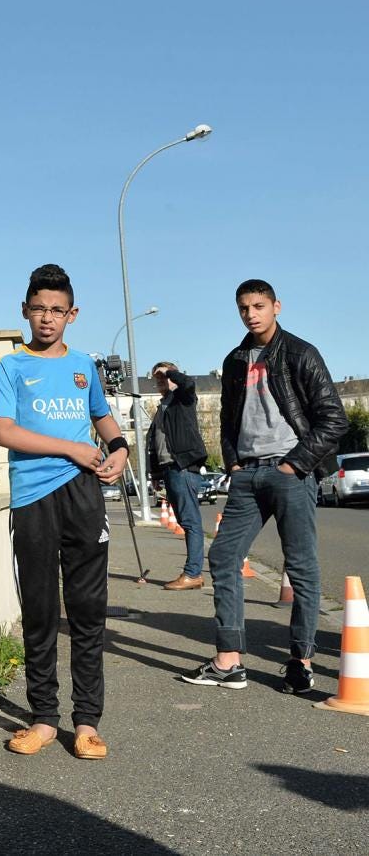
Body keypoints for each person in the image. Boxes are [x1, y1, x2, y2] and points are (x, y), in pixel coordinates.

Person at [0, 264, 127, 760]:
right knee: (42, 611)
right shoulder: (11, 365)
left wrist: (121, 448)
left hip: (84, 497)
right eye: (39, 309)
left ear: (72, 314)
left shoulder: (84, 364)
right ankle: (43, 718)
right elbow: (3, 430)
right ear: (24, 311)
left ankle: (87, 721)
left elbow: (102, 415)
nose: (47, 319)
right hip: (33, 499)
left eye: (57, 310)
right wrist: (68, 449)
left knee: (89, 610)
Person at [183, 279, 347, 693]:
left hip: (290, 472)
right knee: (222, 558)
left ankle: (301, 660)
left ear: (276, 306)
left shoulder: (300, 353)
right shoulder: (235, 360)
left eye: (258, 305)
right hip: (247, 475)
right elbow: (226, 421)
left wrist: (296, 464)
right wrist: (235, 463)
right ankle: (229, 661)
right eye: (243, 307)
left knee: (301, 567)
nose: (251, 314)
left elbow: (334, 418)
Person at [146, 362, 209, 590]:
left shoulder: (183, 398)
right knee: (185, 521)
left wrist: (171, 374)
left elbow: (189, 383)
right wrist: (154, 472)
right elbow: (154, 441)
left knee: (191, 522)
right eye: (158, 378)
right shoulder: (162, 406)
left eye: (164, 376)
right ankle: (193, 572)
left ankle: (193, 573)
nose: (161, 380)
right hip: (169, 468)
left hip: (182, 466)